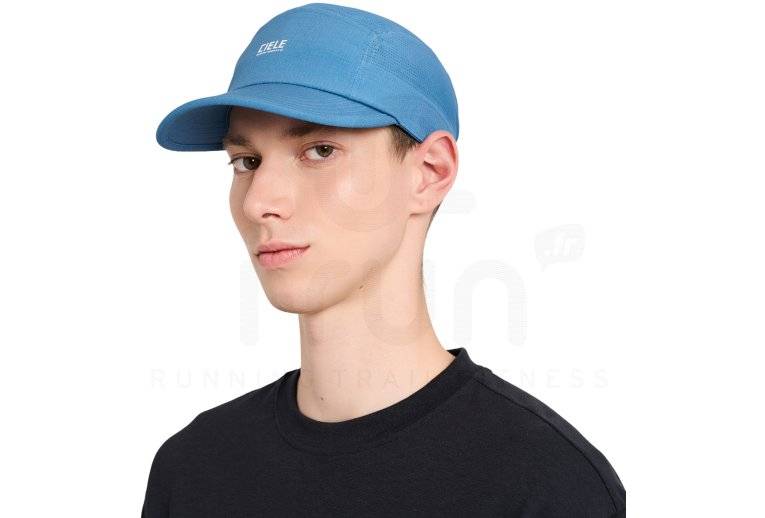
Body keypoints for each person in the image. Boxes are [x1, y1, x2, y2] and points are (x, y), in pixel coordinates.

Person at [143, 3, 626, 517]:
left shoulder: (545, 481)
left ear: (430, 172)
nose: (258, 201)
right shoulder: (193, 467)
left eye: (320, 151)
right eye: (247, 161)